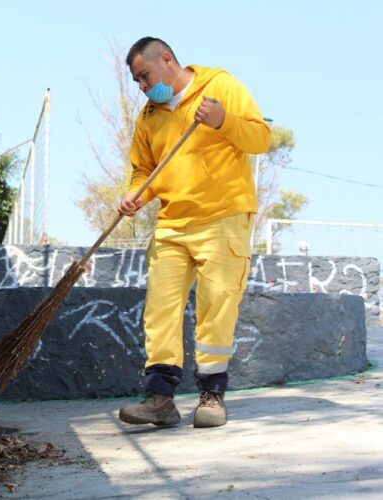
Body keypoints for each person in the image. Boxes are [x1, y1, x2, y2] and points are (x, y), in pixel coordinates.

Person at [116, 37, 271, 428]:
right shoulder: (148, 117)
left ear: (166, 59)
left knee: (216, 306)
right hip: (172, 223)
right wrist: (135, 193)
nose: (143, 88)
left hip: (224, 216)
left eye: (144, 77)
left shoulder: (220, 86)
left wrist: (223, 120)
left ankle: (211, 397)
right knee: (160, 310)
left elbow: (261, 138)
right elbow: (143, 169)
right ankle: (160, 399)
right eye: (137, 82)